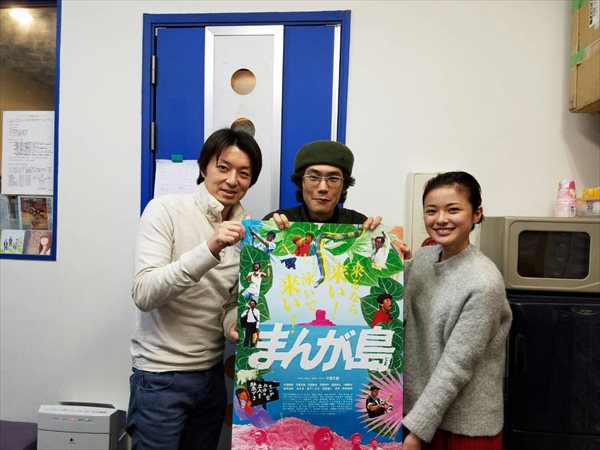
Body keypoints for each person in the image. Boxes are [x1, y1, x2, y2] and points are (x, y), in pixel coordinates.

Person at [127, 128, 263, 450]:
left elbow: (229, 301)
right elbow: (144, 293)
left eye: (244, 173)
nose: (232, 180)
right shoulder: (165, 210)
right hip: (160, 377)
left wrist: (232, 323)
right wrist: (209, 248)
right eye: (223, 167)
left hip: (211, 376)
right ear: (204, 167)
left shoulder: (248, 230)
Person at [402, 171, 512, 450]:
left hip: (463, 427)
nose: (440, 219)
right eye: (431, 211)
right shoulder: (424, 258)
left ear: (476, 214)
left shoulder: (483, 282)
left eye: (453, 210)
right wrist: (377, 246)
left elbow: (455, 367)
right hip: (419, 415)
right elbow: (391, 309)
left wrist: (417, 432)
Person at [263, 140, 381, 229]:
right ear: (300, 183)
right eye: (314, 177)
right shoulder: (278, 221)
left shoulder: (357, 223)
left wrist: (384, 241)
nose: (323, 188)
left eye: (333, 178)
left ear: (344, 186)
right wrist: (267, 231)